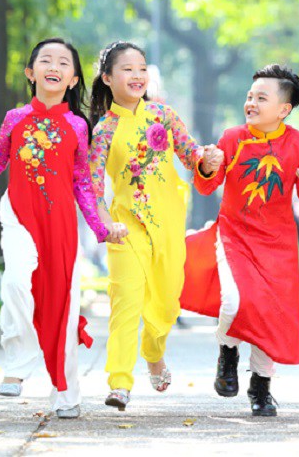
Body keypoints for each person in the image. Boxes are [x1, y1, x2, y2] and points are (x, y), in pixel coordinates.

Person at [0, 38, 116, 419]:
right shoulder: (15, 119)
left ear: (72, 79)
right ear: (30, 73)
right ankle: (17, 365)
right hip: (18, 215)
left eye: (64, 62)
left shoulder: (78, 126)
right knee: (16, 282)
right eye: (45, 60)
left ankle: (66, 393)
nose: (54, 65)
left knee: (61, 305)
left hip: (61, 224)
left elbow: (82, 181)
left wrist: (101, 227)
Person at [89, 41, 222, 410]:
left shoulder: (163, 115)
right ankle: (119, 382)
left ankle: (153, 349)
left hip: (167, 225)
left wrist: (207, 160)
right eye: (128, 69)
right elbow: (93, 187)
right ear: (108, 78)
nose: (137, 75)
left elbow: (191, 155)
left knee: (165, 302)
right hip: (125, 227)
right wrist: (105, 225)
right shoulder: (102, 131)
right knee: (126, 302)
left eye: (142, 68)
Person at [181, 64, 299, 417]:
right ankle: (227, 351)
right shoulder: (231, 137)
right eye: (249, 96)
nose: (251, 103)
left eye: (261, 98)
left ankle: (261, 386)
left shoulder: (298, 143)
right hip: (235, 236)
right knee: (234, 301)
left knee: (270, 315)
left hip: (278, 244)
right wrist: (208, 165)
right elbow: (207, 184)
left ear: (284, 109)